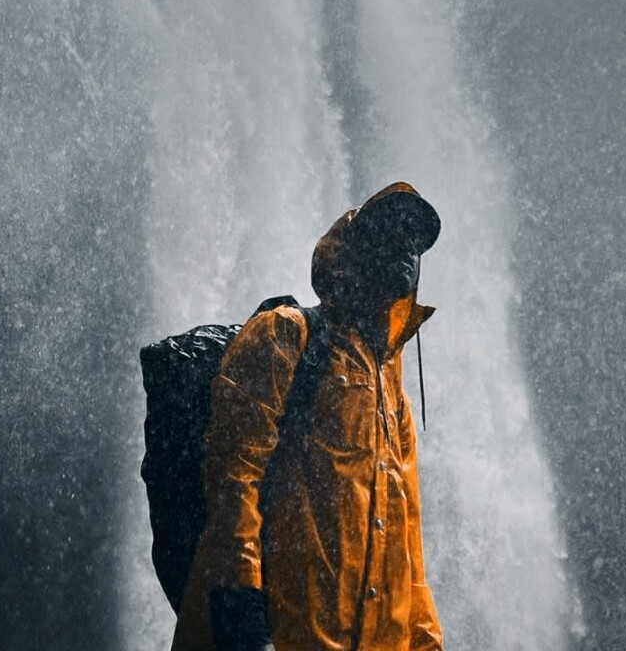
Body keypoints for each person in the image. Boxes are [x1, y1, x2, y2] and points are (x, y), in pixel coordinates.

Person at [171, 182, 444, 651]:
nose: (407, 246)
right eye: (393, 231)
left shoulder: (391, 388)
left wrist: (426, 641)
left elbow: (407, 539)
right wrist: (241, 610)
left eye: (416, 240)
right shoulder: (287, 335)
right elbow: (235, 477)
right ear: (357, 251)